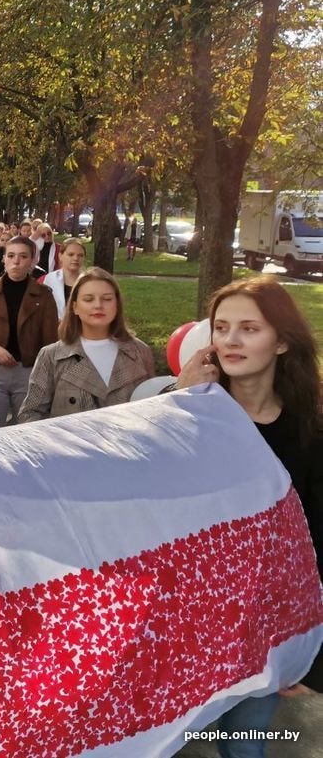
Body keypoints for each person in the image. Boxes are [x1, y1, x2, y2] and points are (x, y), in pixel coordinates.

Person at [176, 276, 323, 756]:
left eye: (249, 328)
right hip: (191, 626)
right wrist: (178, 405)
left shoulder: (310, 430)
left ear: (281, 340)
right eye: (221, 327)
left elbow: (317, 541)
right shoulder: (189, 414)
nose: (231, 340)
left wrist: (305, 653)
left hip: (266, 630)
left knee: (245, 745)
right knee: (170, 742)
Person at [17, 268, 154, 422]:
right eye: (88, 299)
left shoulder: (140, 351)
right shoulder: (52, 355)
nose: (98, 305)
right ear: (74, 307)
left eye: (107, 299)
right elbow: (30, 415)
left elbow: (153, 409)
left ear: (117, 305)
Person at [0, 236, 59, 429]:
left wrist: (45, 376)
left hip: (28, 373)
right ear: (3, 259)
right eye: (11, 255)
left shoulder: (44, 295)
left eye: (23, 256)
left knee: (25, 432)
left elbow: (50, 339)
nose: (16, 261)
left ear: (32, 260)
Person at [40, 238, 87, 317]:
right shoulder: (50, 279)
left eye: (80, 255)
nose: (76, 258)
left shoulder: (89, 281)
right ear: (60, 256)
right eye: (71, 254)